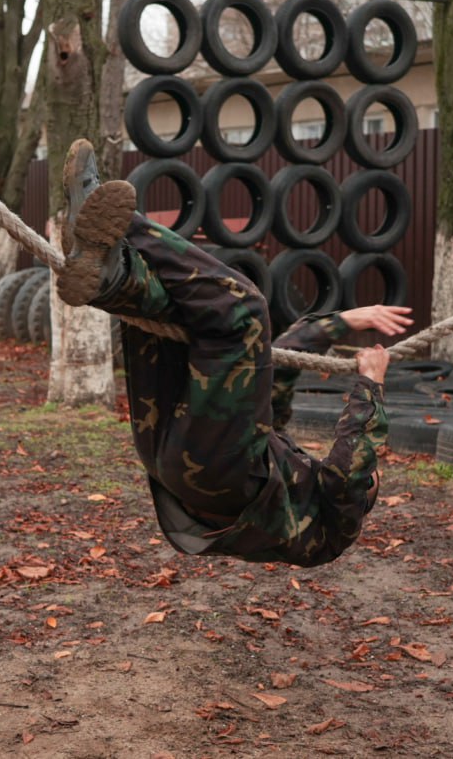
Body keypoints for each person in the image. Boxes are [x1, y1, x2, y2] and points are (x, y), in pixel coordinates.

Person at [55, 139, 413, 567]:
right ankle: (111, 275)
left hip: (222, 476)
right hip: (177, 465)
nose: (367, 477)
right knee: (184, 324)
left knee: (243, 312)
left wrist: (371, 385)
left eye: (370, 482)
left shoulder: (336, 526)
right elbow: (279, 365)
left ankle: (115, 223)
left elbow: (347, 474)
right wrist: (344, 321)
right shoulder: (285, 468)